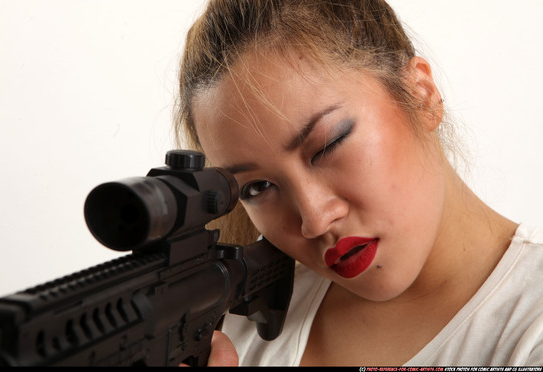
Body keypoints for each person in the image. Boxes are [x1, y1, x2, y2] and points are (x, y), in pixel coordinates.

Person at [174, 0, 543, 366]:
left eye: (329, 144)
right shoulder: (231, 337)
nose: (314, 220)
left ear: (422, 94)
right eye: (257, 188)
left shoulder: (531, 328)